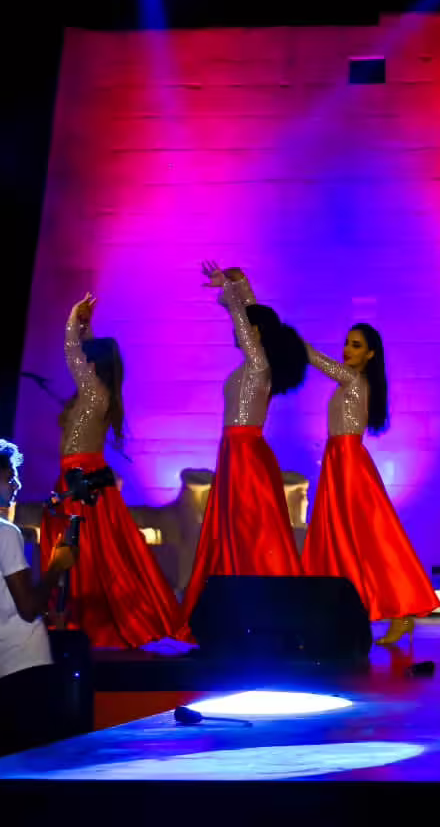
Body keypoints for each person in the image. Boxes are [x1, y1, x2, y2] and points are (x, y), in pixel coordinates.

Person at [37, 295, 182, 648]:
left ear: (94, 365)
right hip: (75, 476)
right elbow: (81, 350)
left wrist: (73, 318)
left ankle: (85, 621)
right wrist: (86, 324)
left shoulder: (94, 392)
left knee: (87, 551)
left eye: (87, 361)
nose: (80, 365)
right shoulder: (94, 393)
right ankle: (69, 617)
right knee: (85, 551)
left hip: (83, 480)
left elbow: (73, 352)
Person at [181, 263, 307, 625]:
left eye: (248, 330)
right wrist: (236, 287)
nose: (238, 332)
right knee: (235, 529)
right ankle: (234, 609)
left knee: (247, 529)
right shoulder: (255, 363)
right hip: (237, 452)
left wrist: (235, 293)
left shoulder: (258, 363)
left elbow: (247, 320)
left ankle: (256, 610)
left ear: (257, 334)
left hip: (246, 454)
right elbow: (250, 318)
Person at [301, 324, 437, 646]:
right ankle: (358, 609)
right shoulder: (351, 381)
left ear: (370, 354)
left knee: (367, 537)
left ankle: (399, 609)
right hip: (339, 460)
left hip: (348, 464)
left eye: (357, 345)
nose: (348, 349)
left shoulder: (354, 380)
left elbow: (318, 360)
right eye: (347, 343)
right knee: (345, 538)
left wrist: (294, 341)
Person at [0, 438, 76, 757]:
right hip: (24, 665)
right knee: (36, 762)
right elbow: (28, 607)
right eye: (9, 476)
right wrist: (56, 566)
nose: (16, 483)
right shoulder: (2, 533)